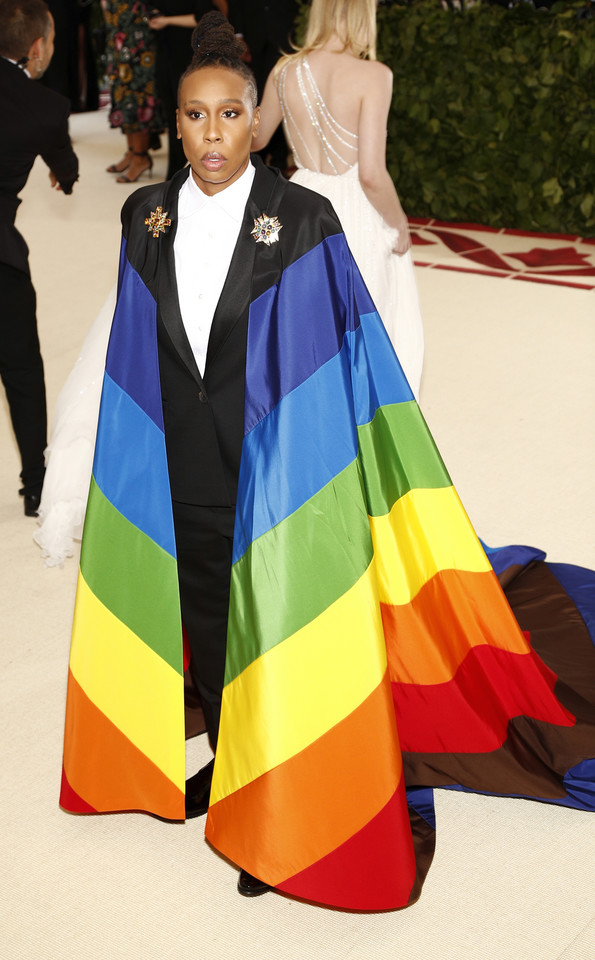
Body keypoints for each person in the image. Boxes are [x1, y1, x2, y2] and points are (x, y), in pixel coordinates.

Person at [58, 11, 594, 910]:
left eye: (231, 115)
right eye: (194, 117)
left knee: (275, 629)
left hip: (277, 475)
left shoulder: (298, 218)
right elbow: (130, 355)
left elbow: (344, 355)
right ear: (176, 120)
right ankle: (230, 762)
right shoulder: (140, 214)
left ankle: (274, 802)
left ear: (251, 121)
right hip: (182, 469)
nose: (213, 134)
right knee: (202, 627)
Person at [253, 0, 424, 397]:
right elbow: (370, 174)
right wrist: (399, 222)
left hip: (300, 200)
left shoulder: (284, 70)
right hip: (354, 210)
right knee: (366, 327)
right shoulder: (374, 75)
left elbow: (257, 139)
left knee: (305, 328)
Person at [0, 0, 79, 516]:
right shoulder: (45, 107)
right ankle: (35, 485)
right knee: (23, 368)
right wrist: (62, 172)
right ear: (37, 48)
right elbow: (66, 172)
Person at [147, 1, 227, 180]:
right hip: (165, 51)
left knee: (190, 114)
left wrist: (167, 20)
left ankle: (193, 173)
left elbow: (204, 18)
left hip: (188, 53)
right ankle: (175, 175)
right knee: (172, 115)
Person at [227, 0, 299, 170]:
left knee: (283, 95)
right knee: (254, 96)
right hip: (254, 38)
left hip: (287, 37)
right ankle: (257, 155)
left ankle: (279, 158)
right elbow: (235, 4)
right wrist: (238, 36)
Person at [103, 0, 163, 183]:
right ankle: (132, 152)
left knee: (136, 96)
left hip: (138, 39)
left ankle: (141, 156)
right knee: (122, 95)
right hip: (119, 33)